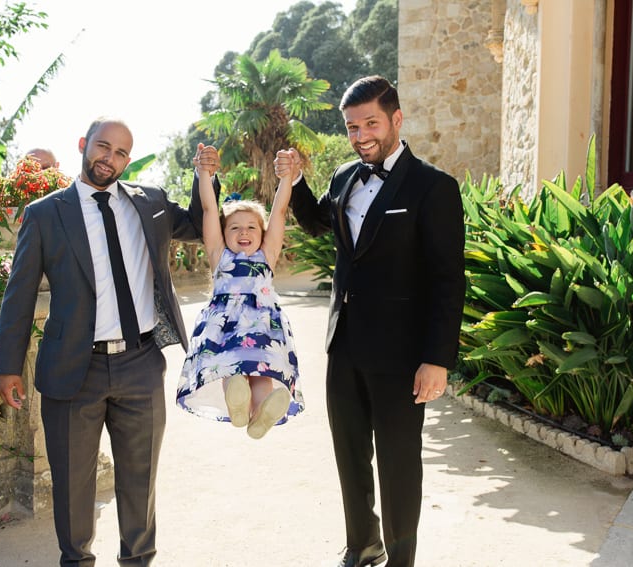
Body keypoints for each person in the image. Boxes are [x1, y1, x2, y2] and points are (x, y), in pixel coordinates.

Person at [0, 117, 217, 566]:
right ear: (83, 144)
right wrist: (7, 366)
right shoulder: (45, 214)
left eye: (120, 153)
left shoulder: (151, 202)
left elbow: (199, 224)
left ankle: (138, 560)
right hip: (74, 370)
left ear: (127, 160)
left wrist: (204, 176)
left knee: (140, 479)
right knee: (72, 483)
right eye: (102, 147)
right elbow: (19, 294)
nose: (109, 159)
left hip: (141, 364)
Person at [274, 75, 466, 566]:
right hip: (344, 344)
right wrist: (295, 183)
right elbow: (318, 222)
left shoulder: (435, 187)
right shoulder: (344, 177)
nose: (360, 136)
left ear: (396, 119)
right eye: (352, 127)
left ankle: (401, 560)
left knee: (399, 465)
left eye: (371, 124)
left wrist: (437, 360)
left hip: (401, 355)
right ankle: (363, 545)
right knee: (349, 454)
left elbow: (448, 281)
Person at [176, 144, 304, 439]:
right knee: (231, 368)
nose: (243, 232)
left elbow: (279, 211)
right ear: (223, 234)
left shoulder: (267, 255)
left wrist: (287, 177)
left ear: (262, 233)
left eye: (251, 227)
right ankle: (239, 402)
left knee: (262, 373)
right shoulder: (219, 255)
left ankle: (260, 413)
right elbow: (209, 209)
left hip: (262, 325)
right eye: (234, 228)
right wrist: (204, 173)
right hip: (226, 325)